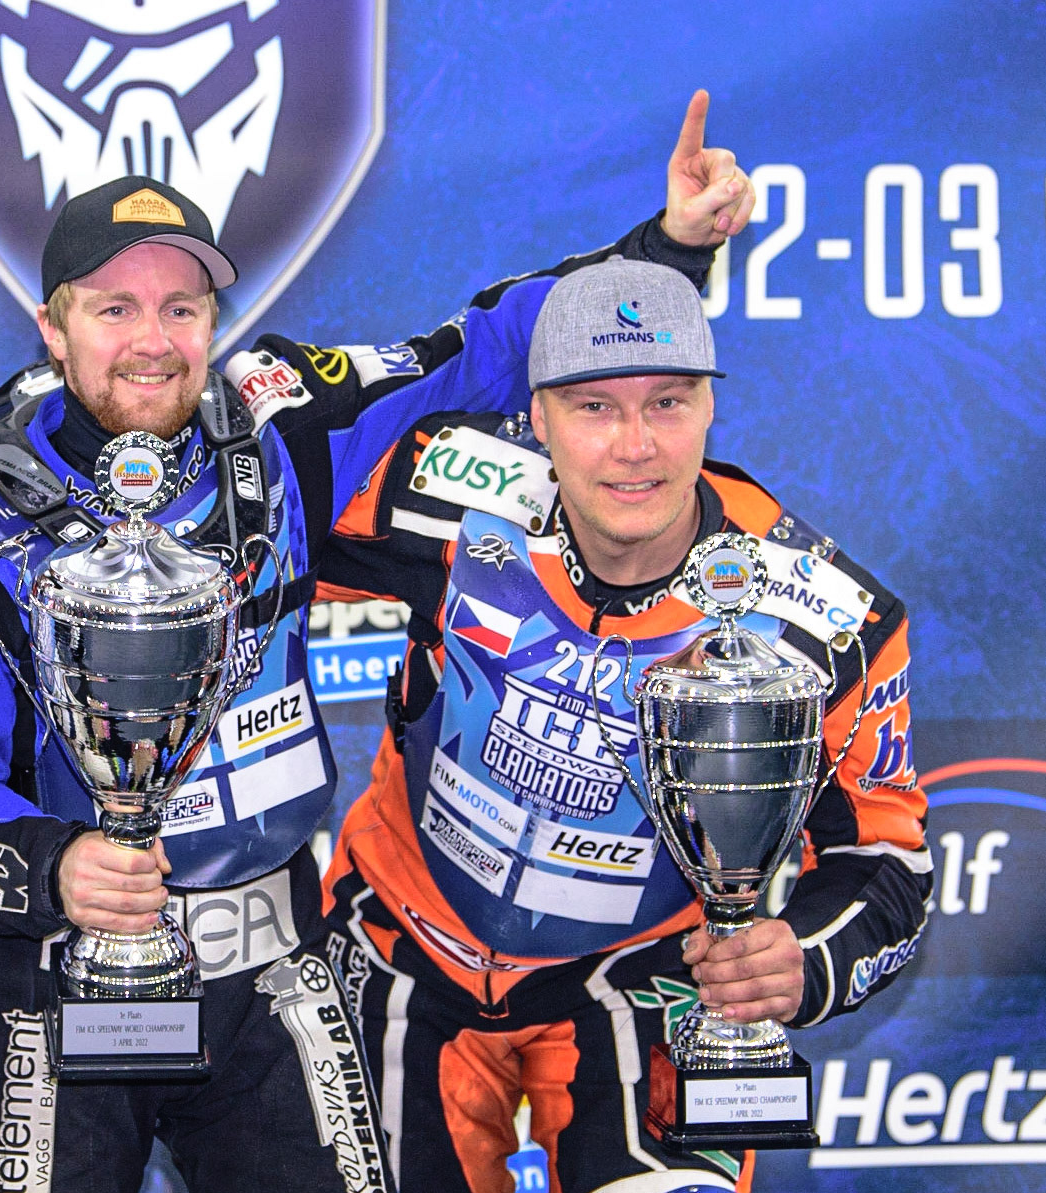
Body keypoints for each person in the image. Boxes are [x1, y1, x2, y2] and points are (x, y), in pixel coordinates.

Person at [0, 96, 753, 1193]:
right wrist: (55, 865)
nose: (153, 341)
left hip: (272, 975)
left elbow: (478, 350)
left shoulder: (284, 423)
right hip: (48, 980)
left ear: (214, 318)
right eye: (113, 309)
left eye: (183, 307)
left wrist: (664, 249)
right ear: (51, 328)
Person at [316, 257, 930, 1192]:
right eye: (593, 406)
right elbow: (244, 529)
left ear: (711, 409)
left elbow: (887, 864)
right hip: (401, 943)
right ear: (533, 417)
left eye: (668, 403)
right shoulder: (431, 496)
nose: (634, 445)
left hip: (647, 978)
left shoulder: (827, 620)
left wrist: (801, 958)